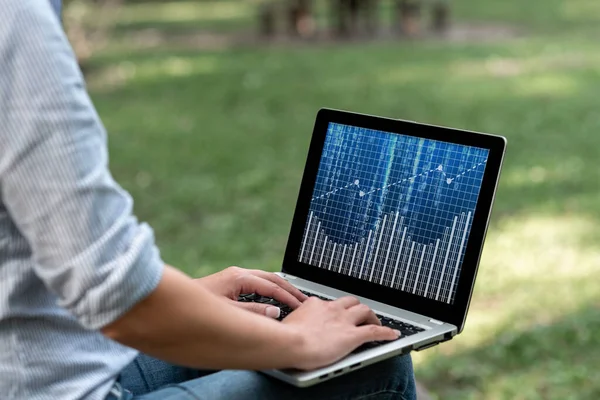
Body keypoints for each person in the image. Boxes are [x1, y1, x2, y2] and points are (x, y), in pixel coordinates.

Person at [0, 1, 417, 399]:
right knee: (375, 366)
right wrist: (296, 340)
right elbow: (112, 288)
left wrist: (192, 301)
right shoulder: (17, 19)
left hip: (47, 359)